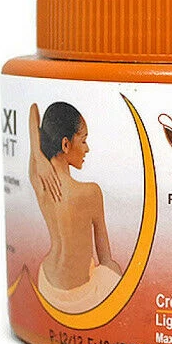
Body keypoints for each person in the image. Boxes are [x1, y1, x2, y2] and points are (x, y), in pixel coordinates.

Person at [29, 102, 122, 314]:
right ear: (66, 144)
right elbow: (105, 258)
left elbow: (33, 110)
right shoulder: (90, 193)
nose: (87, 149)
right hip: (80, 295)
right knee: (114, 272)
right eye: (84, 140)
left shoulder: (37, 179)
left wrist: (38, 155)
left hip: (46, 283)